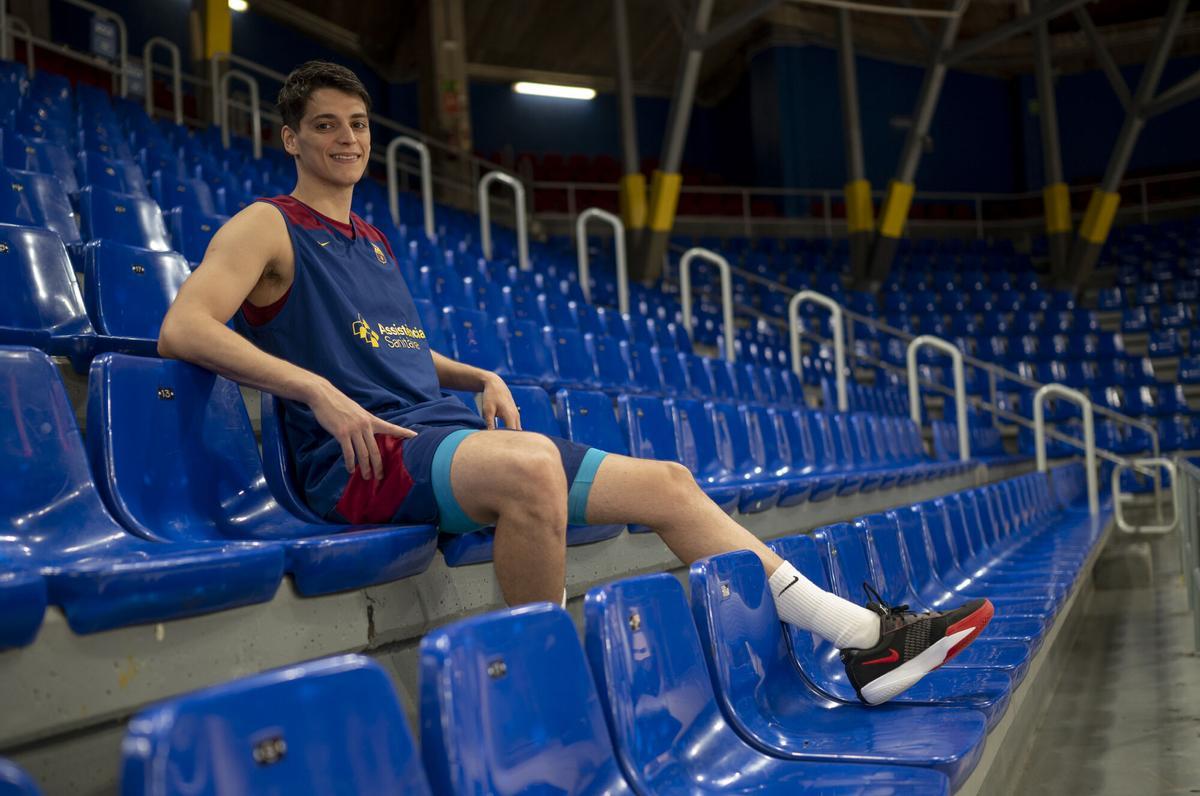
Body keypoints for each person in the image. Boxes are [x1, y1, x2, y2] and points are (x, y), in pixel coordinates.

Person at [158, 60, 992, 706]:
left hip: (434, 429)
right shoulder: (265, 225)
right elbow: (184, 328)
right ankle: (542, 691)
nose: (347, 138)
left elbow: (387, 347)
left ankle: (863, 640)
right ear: (290, 138)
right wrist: (312, 391)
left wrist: (471, 369)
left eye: (359, 124)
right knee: (530, 469)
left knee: (668, 483)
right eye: (326, 126)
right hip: (357, 463)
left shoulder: (372, 239)